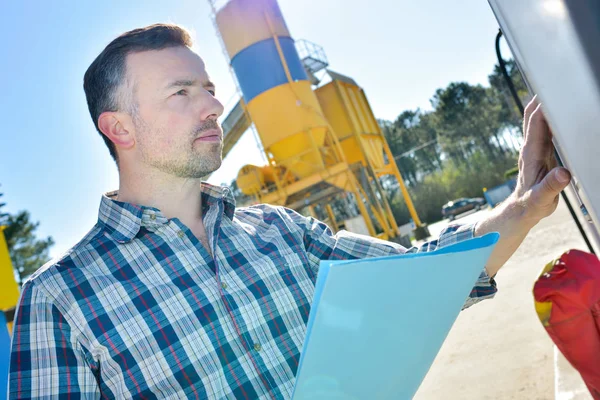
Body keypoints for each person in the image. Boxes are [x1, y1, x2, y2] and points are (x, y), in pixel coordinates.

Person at [8, 23, 571, 399]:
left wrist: (521, 207)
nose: (214, 105)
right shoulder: (60, 299)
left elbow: (419, 277)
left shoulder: (278, 230)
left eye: (209, 87)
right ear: (120, 128)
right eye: (182, 93)